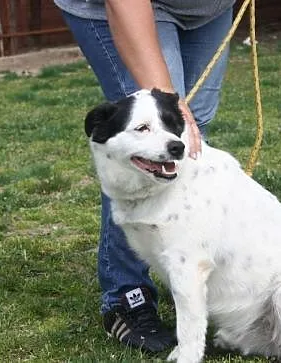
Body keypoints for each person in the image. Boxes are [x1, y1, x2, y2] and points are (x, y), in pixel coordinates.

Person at [54, 0, 235, 353]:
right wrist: (171, 102)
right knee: (150, 130)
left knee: (190, 130)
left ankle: (192, 271)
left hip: (207, 11)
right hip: (130, 6)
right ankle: (127, 297)